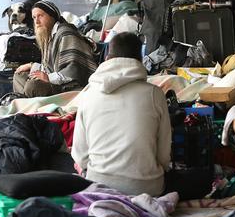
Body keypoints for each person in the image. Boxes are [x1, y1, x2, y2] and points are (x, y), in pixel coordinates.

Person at [71, 32, 171, 196]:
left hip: (100, 188)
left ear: (107, 58)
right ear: (140, 60)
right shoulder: (155, 94)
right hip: (147, 189)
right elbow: (163, 157)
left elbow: (80, 157)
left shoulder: (88, 94)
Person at [13, 0, 97, 97]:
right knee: (20, 76)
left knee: (33, 86)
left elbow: (74, 70)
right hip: (57, 83)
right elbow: (52, 66)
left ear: (52, 16)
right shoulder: (49, 34)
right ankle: (26, 102)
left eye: (40, 16)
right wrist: (32, 66)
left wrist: (49, 78)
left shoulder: (65, 33)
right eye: (34, 17)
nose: (36, 22)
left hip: (71, 88)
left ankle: (29, 104)